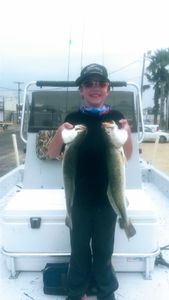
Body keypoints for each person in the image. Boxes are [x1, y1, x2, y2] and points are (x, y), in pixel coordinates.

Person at [47, 63, 133, 300]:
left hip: (108, 200)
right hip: (79, 199)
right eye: (89, 84)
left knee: (104, 250)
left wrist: (126, 133)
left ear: (107, 89)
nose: (95, 87)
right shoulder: (73, 118)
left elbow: (128, 154)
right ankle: (76, 292)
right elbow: (53, 154)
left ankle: (106, 292)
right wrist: (58, 133)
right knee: (79, 251)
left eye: (101, 83)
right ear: (81, 91)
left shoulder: (115, 118)